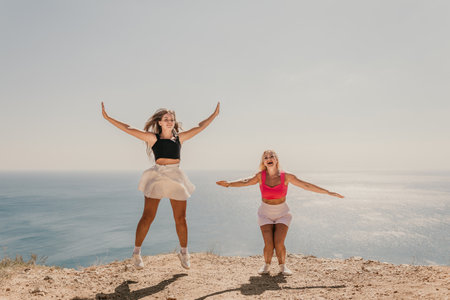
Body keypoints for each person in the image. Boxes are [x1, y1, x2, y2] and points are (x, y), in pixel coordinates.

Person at [102, 101, 220, 270]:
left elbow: (200, 126)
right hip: (157, 176)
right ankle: (136, 253)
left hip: (175, 176)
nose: (169, 121)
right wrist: (107, 117)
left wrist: (214, 115)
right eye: (166, 119)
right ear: (159, 122)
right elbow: (128, 129)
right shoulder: (153, 138)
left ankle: (184, 253)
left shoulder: (180, 138)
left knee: (181, 219)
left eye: (171, 119)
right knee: (147, 217)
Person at [216, 150, 343, 275]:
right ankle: (266, 265)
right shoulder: (260, 176)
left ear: (276, 160)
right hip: (265, 213)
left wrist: (327, 192)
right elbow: (245, 181)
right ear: (264, 162)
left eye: (272, 156)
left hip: (282, 213)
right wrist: (229, 184)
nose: (269, 158)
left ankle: (283, 266)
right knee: (268, 244)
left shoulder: (286, 176)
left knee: (279, 242)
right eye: (266, 157)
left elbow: (306, 185)